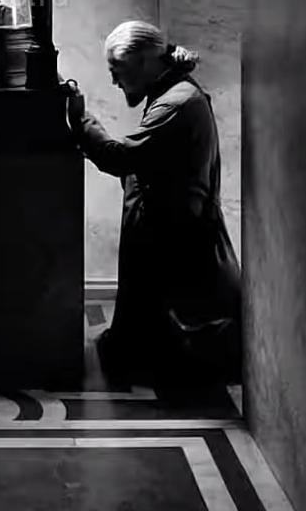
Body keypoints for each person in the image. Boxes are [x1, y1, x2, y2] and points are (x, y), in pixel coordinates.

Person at [65, 20, 241, 389]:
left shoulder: (176, 104)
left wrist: (80, 120)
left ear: (145, 62)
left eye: (118, 70)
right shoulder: (177, 93)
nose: (114, 81)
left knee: (170, 345)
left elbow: (120, 157)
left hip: (172, 236)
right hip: (167, 231)